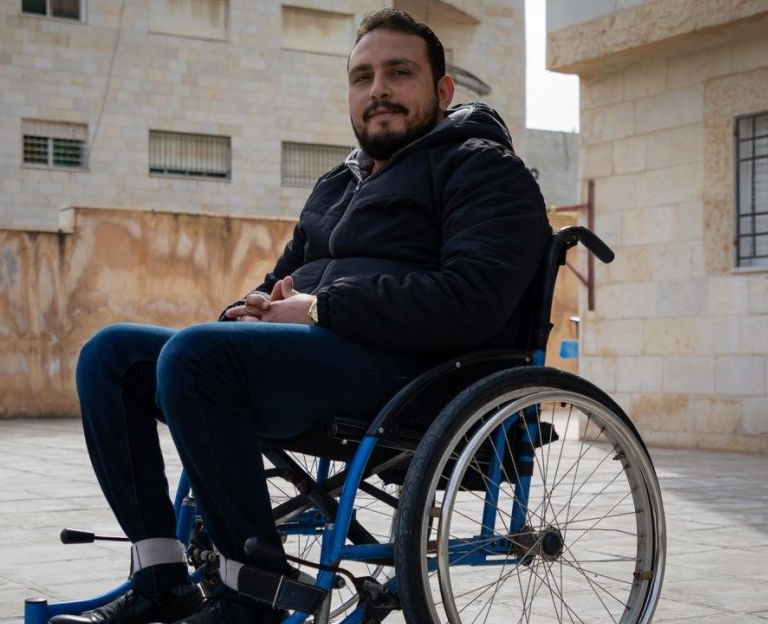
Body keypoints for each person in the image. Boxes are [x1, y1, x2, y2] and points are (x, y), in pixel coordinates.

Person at [50, 8, 550, 624]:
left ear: (443, 91)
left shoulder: (482, 167)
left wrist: (317, 307)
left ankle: (253, 595)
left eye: (399, 73)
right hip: (312, 361)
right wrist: (249, 310)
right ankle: (162, 578)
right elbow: (281, 275)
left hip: (413, 374)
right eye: (362, 77)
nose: (378, 91)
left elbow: (471, 297)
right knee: (112, 356)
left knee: (197, 356)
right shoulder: (338, 182)